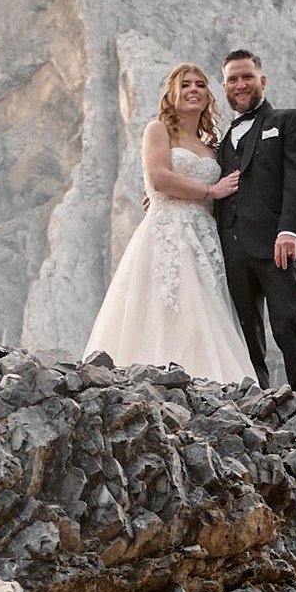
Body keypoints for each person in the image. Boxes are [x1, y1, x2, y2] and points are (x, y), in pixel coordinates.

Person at [81, 63, 256, 383]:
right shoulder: (158, 131)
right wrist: (209, 190)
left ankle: (206, 383)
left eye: (200, 85)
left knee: (202, 314)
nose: (193, 90)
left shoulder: (211, 148)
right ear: (172, 95)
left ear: (208, 96)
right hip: (167, 232)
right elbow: (159, 177)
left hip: (204, 237)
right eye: (185, 84)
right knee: (168, 305)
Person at [212, 46, 296, 394]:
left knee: (289, 320)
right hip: (231, 247)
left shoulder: (291, 120)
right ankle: (257, 401)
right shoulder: (221, 140)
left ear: (262, 80)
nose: (240, 84)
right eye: (233, 79)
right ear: (224, 86)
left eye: (247, 77)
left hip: (278, 243)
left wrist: (290, 231)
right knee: (245, 331)